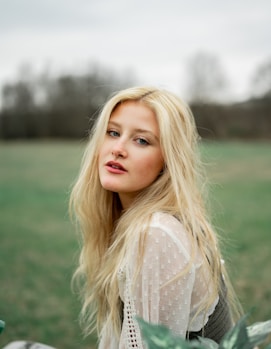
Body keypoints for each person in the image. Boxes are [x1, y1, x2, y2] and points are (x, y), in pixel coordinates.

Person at [69, 86, 241, 349]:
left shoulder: (156, 232)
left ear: (168, 160)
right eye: (113, 132)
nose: (118, 149)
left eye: (142, 140)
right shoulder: (139, 224)